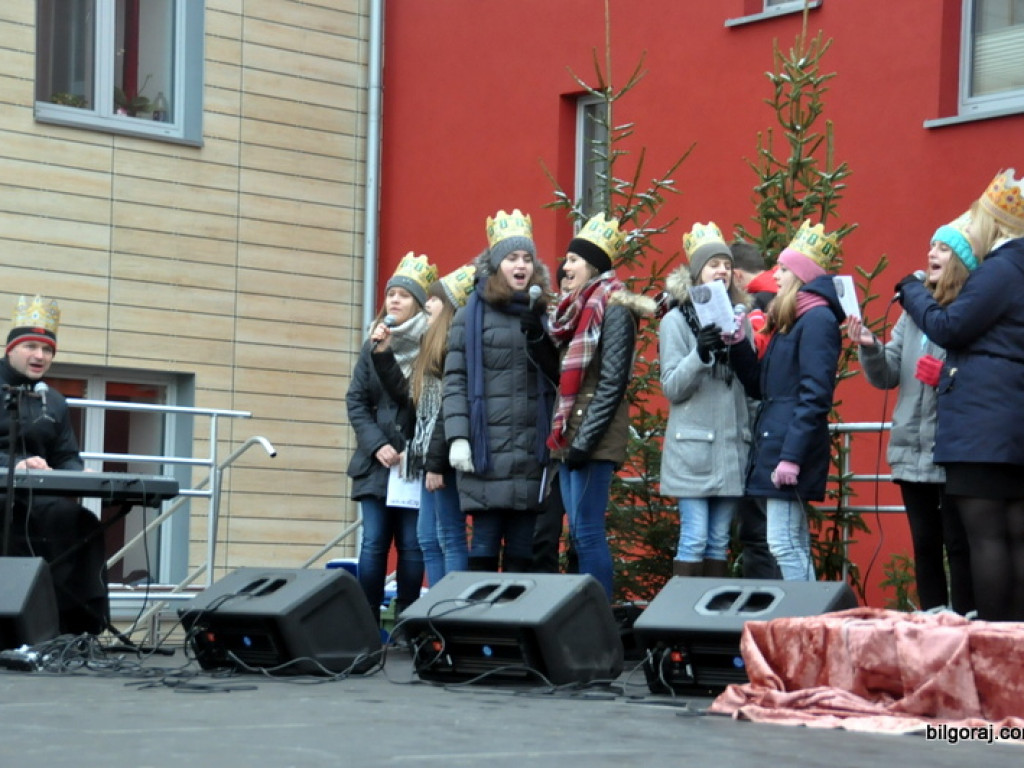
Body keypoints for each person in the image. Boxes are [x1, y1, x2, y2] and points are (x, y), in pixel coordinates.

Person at [897, 168, 1024, 621]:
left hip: (982, 425)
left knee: (985, 539)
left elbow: (950, 326)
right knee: (1013, 537)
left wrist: (912, 291)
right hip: (1011, 422)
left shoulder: (1003, 268)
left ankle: (994, 649)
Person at [848, 214, 977, 614]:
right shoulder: (912, 311)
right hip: (910, 449)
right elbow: (887, 373)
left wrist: (948, 376)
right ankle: (933, 621)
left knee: (959, 545)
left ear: (961, 259)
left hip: (951, 449)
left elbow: (988, 375)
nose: (931, 253)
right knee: (924, 544)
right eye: (931, 246)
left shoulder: (972, 310)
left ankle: (967, 623)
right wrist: (869, 346)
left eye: (942, 247)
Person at [545, 213, 656, 599]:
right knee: (577, 531)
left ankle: (600, 619)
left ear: (593, 264)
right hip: (573, 433)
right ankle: (585, 616)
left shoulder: (616, 308)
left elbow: (613, 382)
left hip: (593, 435)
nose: (565, 266)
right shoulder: (576, 309)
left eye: (573, 260)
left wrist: (584, 442)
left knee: (588, 531)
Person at [728, 220, 846, 581]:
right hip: (777, 442)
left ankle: (805, 623)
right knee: (788, 542)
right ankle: (808, 623)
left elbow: (814, 396)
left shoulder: (816, 320)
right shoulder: (791, 318)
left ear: (799, 274)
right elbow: (762, 386)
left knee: (783, 543)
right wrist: (737, 346)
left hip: (788, 448)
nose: (774, 275)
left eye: (782, 268)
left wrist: (792, 457)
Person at [444, 209, 554, 573]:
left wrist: (541, 337)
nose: (520, 265)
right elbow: (455, 379)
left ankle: (515, 625)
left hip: (530, 447)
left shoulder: (543, 312)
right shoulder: (469, 314)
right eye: (511, 258)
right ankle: (479, 624)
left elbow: (556, 376)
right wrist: (458, 436)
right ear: (496, 265)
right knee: (486, 541)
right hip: (485, 447)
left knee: (524, 544)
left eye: (526, 258)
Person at [1, 295, 110, 635]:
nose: (40, 356)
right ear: (9, 350)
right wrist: (14, 464)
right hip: (3, 496)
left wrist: (79, 473)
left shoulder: (55, 401)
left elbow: (65, 456)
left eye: (47, 350)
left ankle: (74, 626)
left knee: (81, 522)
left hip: (36, 498)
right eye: (31, 346)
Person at [346, 252, 436, 623]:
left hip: (413, 462)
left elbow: (422, 401)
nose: (394, 301)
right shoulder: (373, 345)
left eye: (403, 295)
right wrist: (377, 444)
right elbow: (356, 400)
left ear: (417, 303)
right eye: (391, 295)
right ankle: (367, 621)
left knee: (413, 546)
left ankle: (409, 621)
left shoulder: (431, 344)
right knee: (373, 543)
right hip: (376, 463)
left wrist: (407, 448)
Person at [659, 223, 753, 579]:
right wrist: (699, 353)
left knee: (718, 542)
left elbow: (752, 381)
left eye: (727, 265)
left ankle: (710, 624)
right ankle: (684, 624)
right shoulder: (675, 321)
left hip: (731, 447)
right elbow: (671, 387)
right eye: (714, 264)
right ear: (697, 272)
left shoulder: (741, 316)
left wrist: (741, 344)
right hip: (693, 452)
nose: (722, 271)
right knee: (695, 539)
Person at [407, 264, 475, 585]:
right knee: (427, 538)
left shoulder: (452, 346)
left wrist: (435, 463)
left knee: (449, 535)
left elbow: (449, 411)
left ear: (448, 305)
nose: (427, 305)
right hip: (428, 454)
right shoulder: (429, 345)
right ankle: (434, 615)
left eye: (433, 299)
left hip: (444, 456)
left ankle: (449, 616)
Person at [728, 241, 781, 579]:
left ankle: (766, 619)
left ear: (735, 275)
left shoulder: (755, 306)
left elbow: (754, 371)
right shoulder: (789, 297)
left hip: (760, 430)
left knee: (758, 534)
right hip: (782, 428)